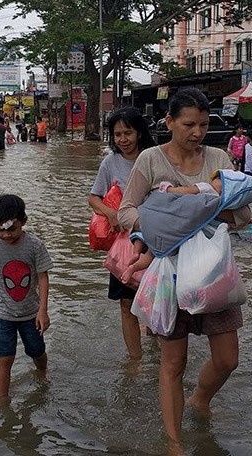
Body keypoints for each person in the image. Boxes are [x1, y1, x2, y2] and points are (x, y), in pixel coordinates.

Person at [117, 87, 251, 450]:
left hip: (213, 271)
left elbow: (243, 215)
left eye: (204, 125)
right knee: (173, 363)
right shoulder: (150, 160)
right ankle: (174, 442)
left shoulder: (219, 158)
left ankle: (200, 400)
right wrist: (157, 225)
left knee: (227, 360)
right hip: (169, 274)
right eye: (189, 124)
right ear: (169, 122)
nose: (197, 132)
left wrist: (193, 205)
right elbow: (127, 210)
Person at [88, 107, 156, 360]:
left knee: (158, 299)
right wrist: (110, 212)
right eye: (117, 134)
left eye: (128, 132)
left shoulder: (154, 157)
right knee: (126, 303)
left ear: (139, 132)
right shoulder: (110, 162)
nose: (123, 139)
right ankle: (136, 361)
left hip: (157, 238)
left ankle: (160, 350)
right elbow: (93, 198)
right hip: (125, 243)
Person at [0, 194, 53, 401]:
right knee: (5, 358)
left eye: (11, 229)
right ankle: (1, 403)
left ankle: (43, 373)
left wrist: (43, 310)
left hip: (30, 313)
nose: (5, 235)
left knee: (37, 351)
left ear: (23, 221)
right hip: (3, 314)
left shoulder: (34, 245)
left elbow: (42, 277)